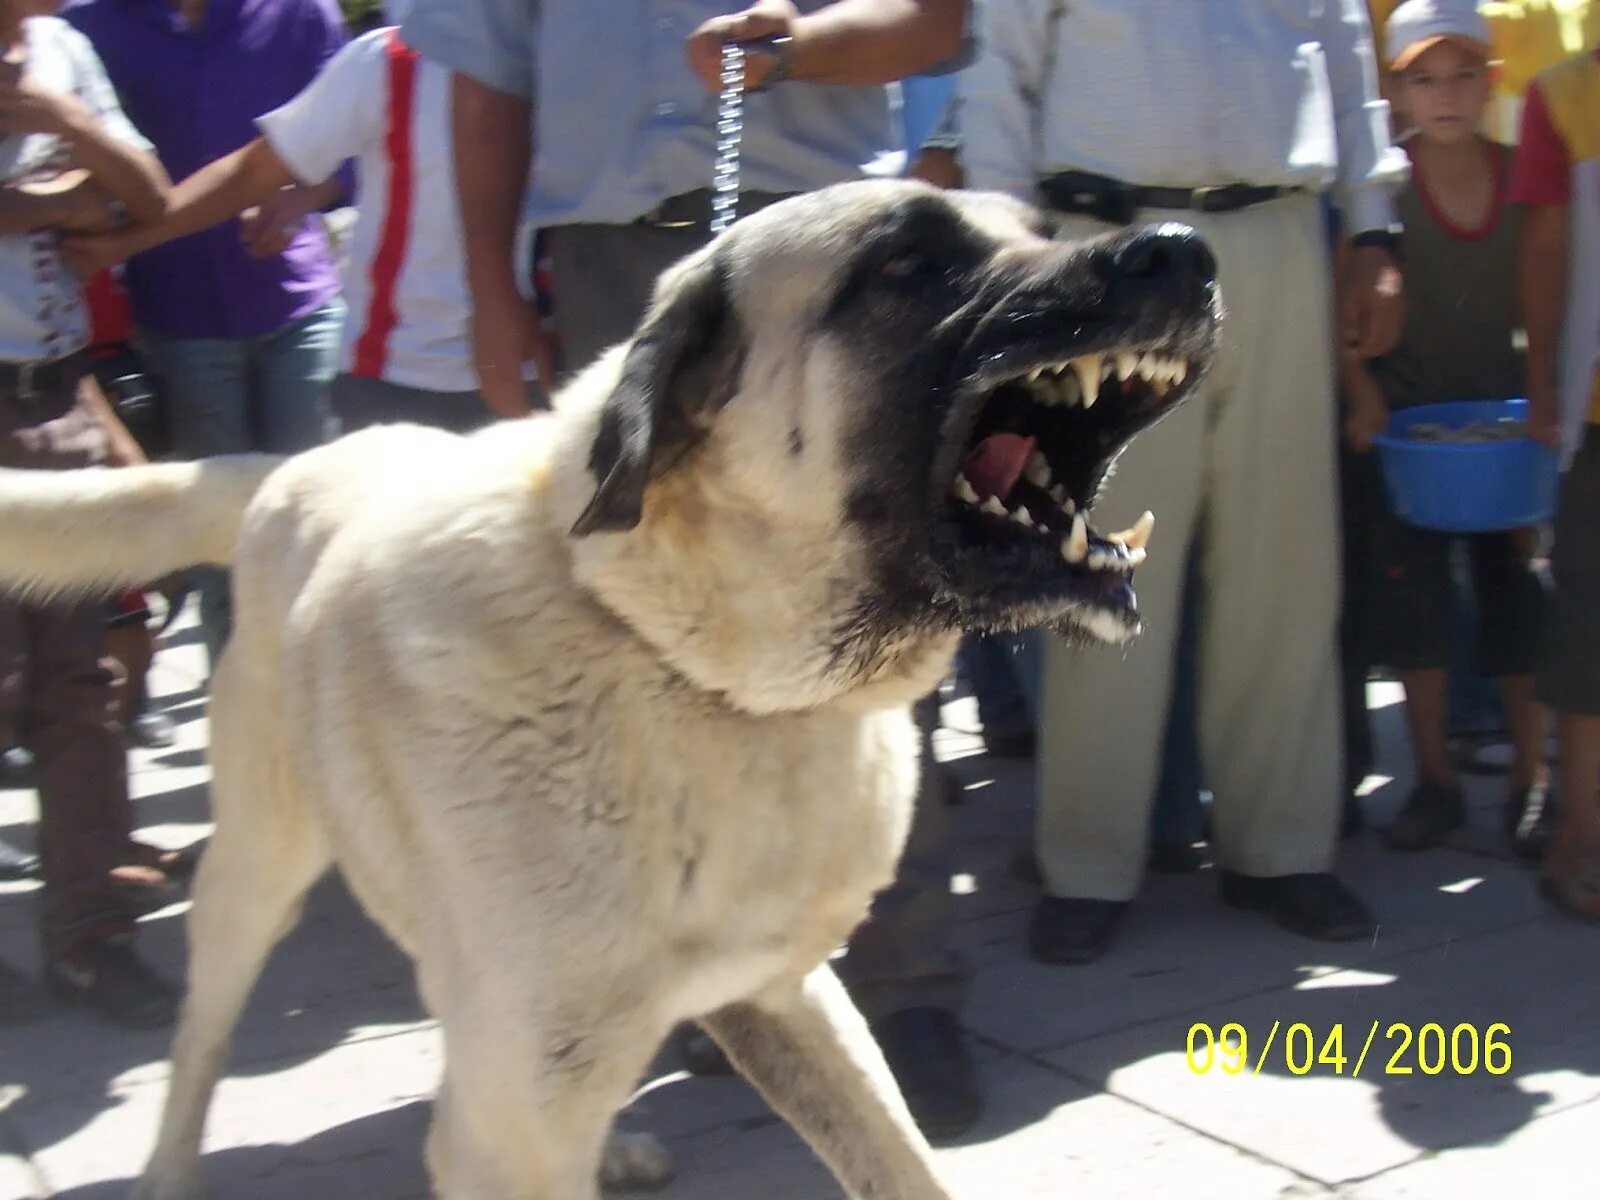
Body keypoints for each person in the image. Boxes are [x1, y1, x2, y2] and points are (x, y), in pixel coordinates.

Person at [400, 0, 982, 1141]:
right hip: (612, 262)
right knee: (629, 650)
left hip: (829, 263)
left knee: (868, 604)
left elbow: (934, 21)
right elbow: (485, 91)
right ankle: (684, 987)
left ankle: (908, 987)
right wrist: (492, 292)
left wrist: (802, 47)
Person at [962, 0, 1406, 964]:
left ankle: (1278, 851)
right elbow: (1002, 68)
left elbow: (1342, 50)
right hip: (1111, 244)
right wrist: (1007, 251)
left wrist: (1375, 230)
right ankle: (1086, 862)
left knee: (1283, 563)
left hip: (1279, 232)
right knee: (1103, 564)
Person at [63, 18, 547, 433]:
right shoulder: (387, 62)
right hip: (399, 379)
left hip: (554, 367)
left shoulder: (576, 70)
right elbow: (252, 174)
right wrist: (127, 241)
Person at [61, 0, 351, 670]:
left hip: (298, 310)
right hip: (179, 321)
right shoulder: (87, 31)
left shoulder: (302, 14)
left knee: (321, 534)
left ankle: (324, 744)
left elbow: (355, 144)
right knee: (226, 551)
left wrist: (304, 196)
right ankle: (243, 753)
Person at [0, 0, 183, 1028]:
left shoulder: (64, 51)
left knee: (80, 687)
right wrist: (48, 207)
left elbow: (139, 195)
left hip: (57, 392)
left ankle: (91, 938)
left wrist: (58, 121)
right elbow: (84, 212)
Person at [1341, 0, 1550, 856]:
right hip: (1407, 440)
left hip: (1503, 439)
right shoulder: (1381, 197)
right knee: (1414, 615)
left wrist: (1542, 401)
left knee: (1518, 605)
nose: (1448, 95)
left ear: (1494, 80)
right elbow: (1344, 308)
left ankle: (1534, 783)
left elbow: (1552, 295)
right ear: (1394, 92)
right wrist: (1361, 395)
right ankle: (1434, 780)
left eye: (1465, 74)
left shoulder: (1521, 178)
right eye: (1424, 79)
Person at [1513, 39, 1600, 920]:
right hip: (1599, 415)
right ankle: (1579, 835)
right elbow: (1543, 248)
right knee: (1589, 637)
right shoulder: (1565, 94)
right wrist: (1541, 376)